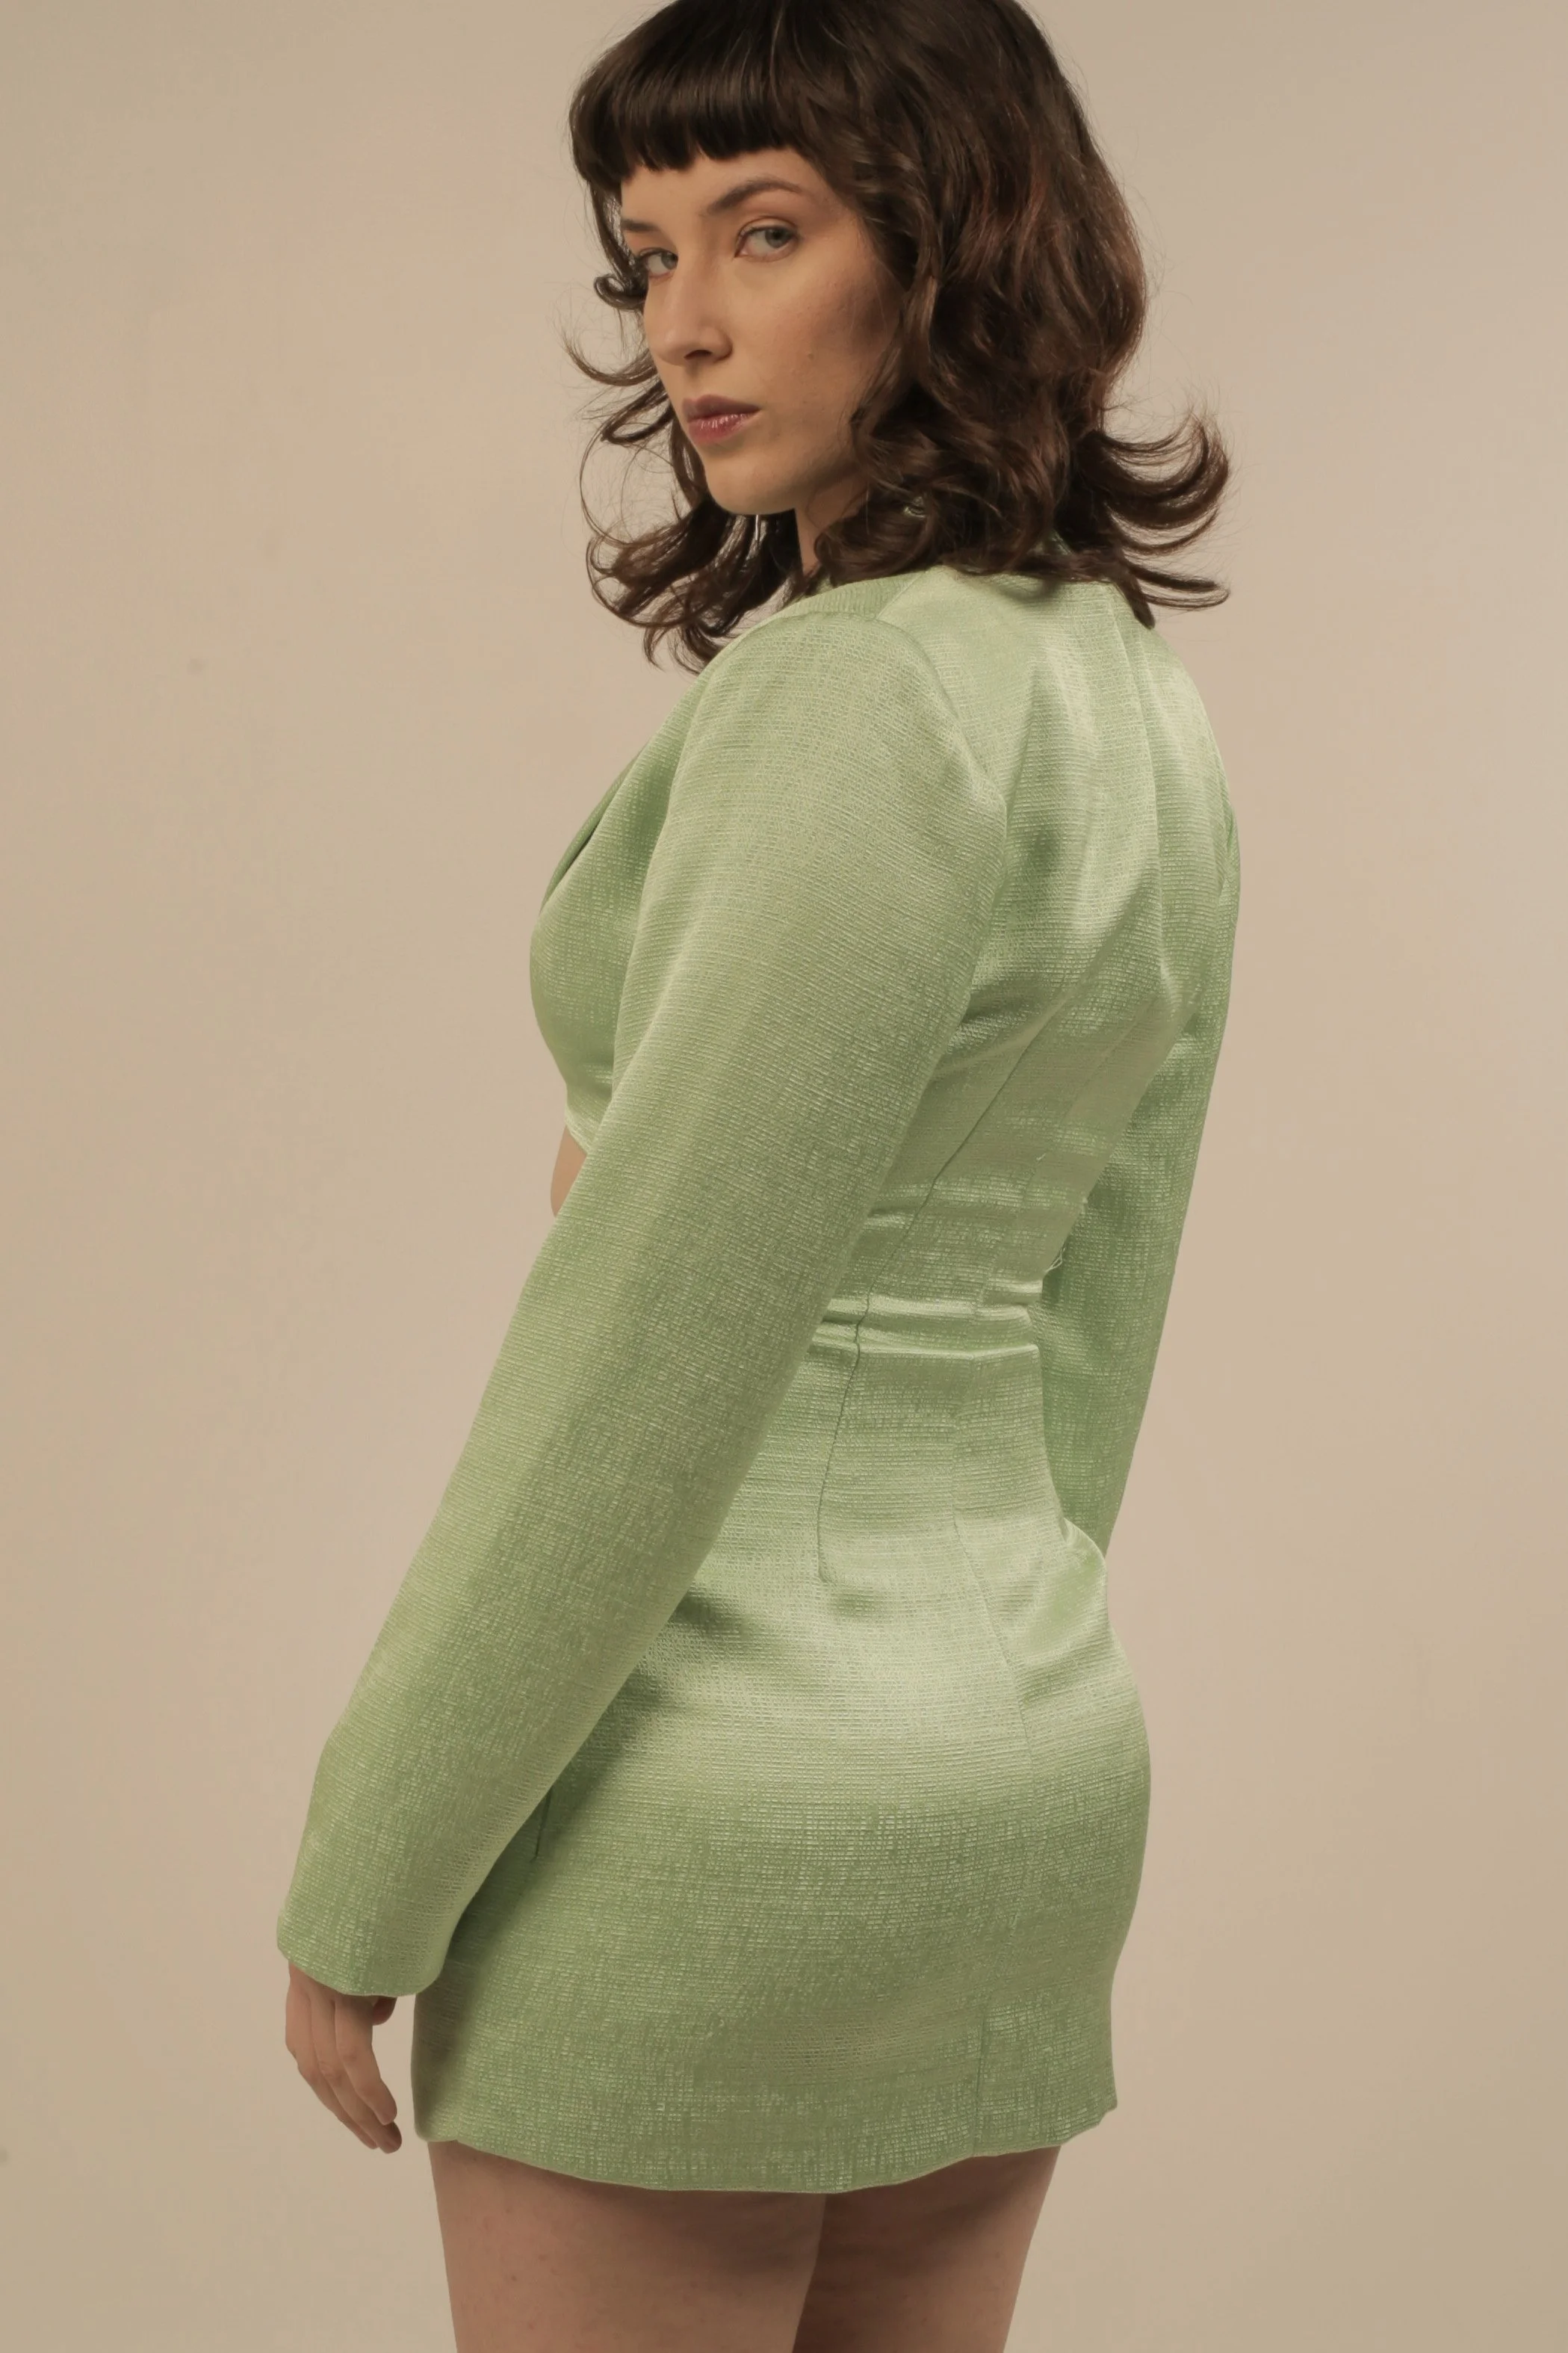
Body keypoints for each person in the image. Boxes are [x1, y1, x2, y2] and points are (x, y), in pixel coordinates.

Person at [277, 1, 1239, 2344]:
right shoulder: (1125, 694)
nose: (687, 321)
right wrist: (958, 1680)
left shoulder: (846, 708)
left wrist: (366, 1874)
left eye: (766, 231)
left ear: (954, 242)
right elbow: (1097, 1295)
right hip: (1014, 1779)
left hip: (716, 1821)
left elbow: (646, 1344)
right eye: (647, 256)